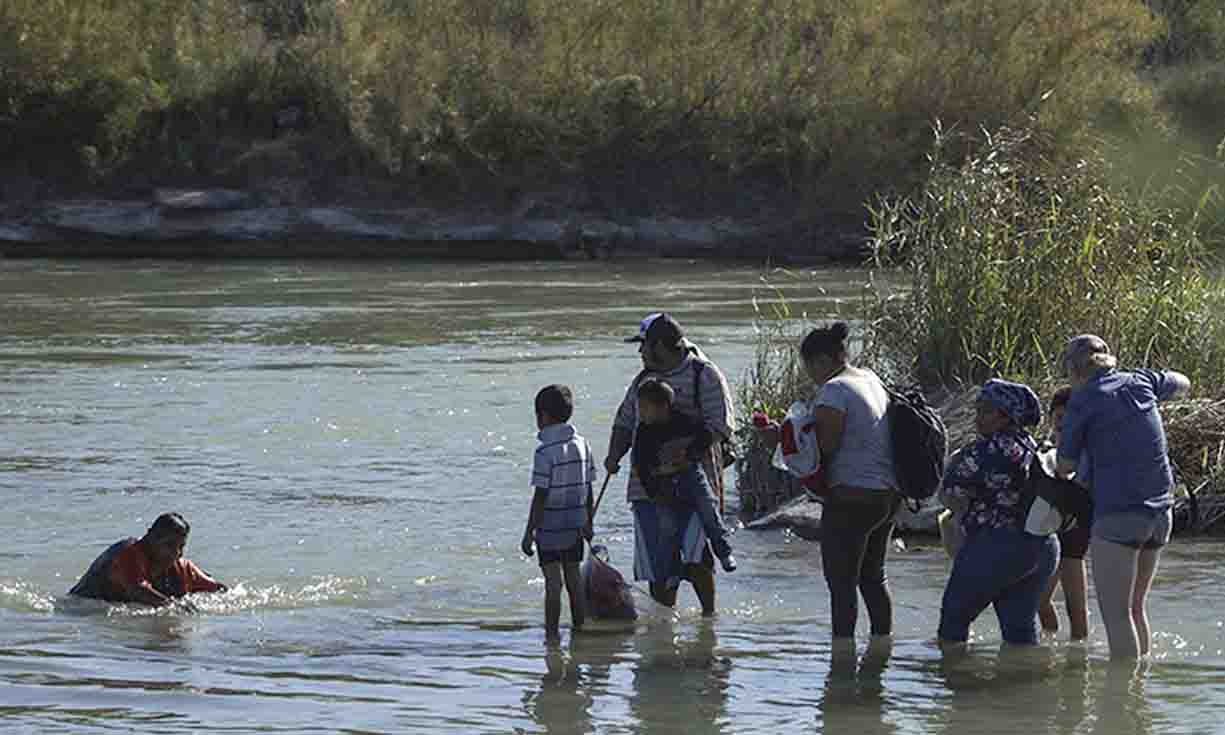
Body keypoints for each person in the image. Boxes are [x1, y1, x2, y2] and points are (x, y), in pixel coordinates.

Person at [763, 322, 900, 651]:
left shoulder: (833, 390)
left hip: (852, 497)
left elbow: (824, 448)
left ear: (819, 361)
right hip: (888, 495)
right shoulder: (870, 379)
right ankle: (882, 650)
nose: (810, 374)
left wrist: (782, 439)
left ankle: (841, 662)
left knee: (841, 584)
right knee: (873, 577)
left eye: (809, 366)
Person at [1057, 334, 1190, 659]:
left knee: (1116, 619)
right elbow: (1183, 383)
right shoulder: (1141, 380)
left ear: (1074, 371)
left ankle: (1123, 703)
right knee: (1134, 608)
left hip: (1119, 516)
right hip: (1161, 513)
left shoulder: (1082, 401)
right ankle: (1139, 692)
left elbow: (1065, 466)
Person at [605, 312, 736, 617]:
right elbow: (624, 423)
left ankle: (708, 626)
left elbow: (722, 425)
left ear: (662, 346)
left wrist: (686, 452)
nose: (640, 352)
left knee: (698, 560)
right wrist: (613, 456)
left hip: (694, 484)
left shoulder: (703, 374)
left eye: (644, 345)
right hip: (647, 489)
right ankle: (665, 629)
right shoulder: (642, 380)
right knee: (658, 567)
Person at [938, 379, 1059, 647]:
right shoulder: (1038, 449)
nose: (978, 418)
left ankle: (955, 681)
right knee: (1020, 631)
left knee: (953, 622)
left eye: (987, 411)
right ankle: (1024, 685)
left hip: (997, 545)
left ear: (1006, 416)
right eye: (978, 410)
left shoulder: (983, 452)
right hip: (1043, 546)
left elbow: (950, 496)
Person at [632, 377, 736, 572]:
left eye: (645, 407)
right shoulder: (643, 432)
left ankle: (723, 551)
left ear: (663, 407)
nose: (641, 412)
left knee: (708, 507)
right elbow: (640, 465)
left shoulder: (684, 421)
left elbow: (705, 435)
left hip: (691, 475)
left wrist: (688, 454)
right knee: (667, 524)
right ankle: (670, 569)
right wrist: (654, 491)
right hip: (663, 482)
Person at [522, 384, 596, 642]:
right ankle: (580, 630)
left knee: (554, 584)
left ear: (543, 416)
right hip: (575, 525)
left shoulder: (544, 452)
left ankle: (551, 637)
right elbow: (588, 487)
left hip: (550, 528)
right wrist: (589, 521)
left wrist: (529, 531)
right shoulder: (583, 444)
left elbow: (540, 495)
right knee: (574, 580)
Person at [68, 512, 226, 606]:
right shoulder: (127, 553)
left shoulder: (181, 567)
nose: (176, 553)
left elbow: (218, 589)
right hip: (82, 611)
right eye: (169, 545)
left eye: (181, 546)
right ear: (149, 537)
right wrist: (175, 607)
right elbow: (137, 589)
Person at [1037, 386, 1091, 640]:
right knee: (1038, 601)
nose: (1063, 424)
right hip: (1050, 533)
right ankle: (1049, 647)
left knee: (1077, 611)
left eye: (1068, 418)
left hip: (1075, 536)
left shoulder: (1087, 452)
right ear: (1050, 419)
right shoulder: (1043, 452)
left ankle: (1079, 664)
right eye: (1058, 418)